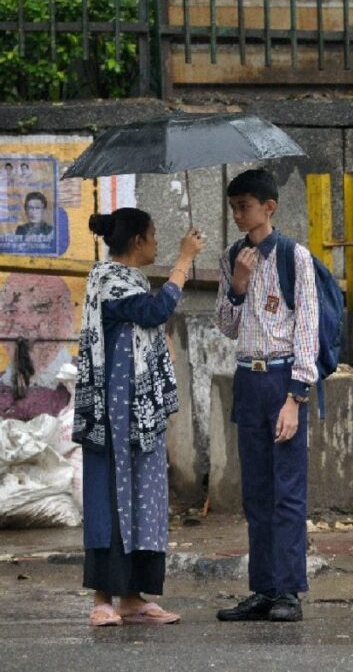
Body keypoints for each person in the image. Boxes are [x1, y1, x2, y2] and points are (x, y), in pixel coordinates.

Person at [74, 208, 205, 626]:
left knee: (144, 497)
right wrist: (184, 262)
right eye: (153, 235)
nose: (156, 243)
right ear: (137, 242)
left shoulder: (131, 280)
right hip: (112, 410)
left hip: (140, 410)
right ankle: (102, 598)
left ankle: (132, 597)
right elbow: (154, 311)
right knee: (111, 494)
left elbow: (147, 322)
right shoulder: (109, 279)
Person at [214, 168, 319, 623]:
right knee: (255, 492)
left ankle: (289, 591)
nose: (238, 214)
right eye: (233, 206)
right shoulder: (232, 256)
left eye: (245, 206)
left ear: (268, 208)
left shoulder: (294, 256)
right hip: (247, 378)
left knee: (287, 492)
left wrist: (296, 397)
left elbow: (308, 328)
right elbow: (226, 325)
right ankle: (262, 588)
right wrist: (237, 284)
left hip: (281, 378)